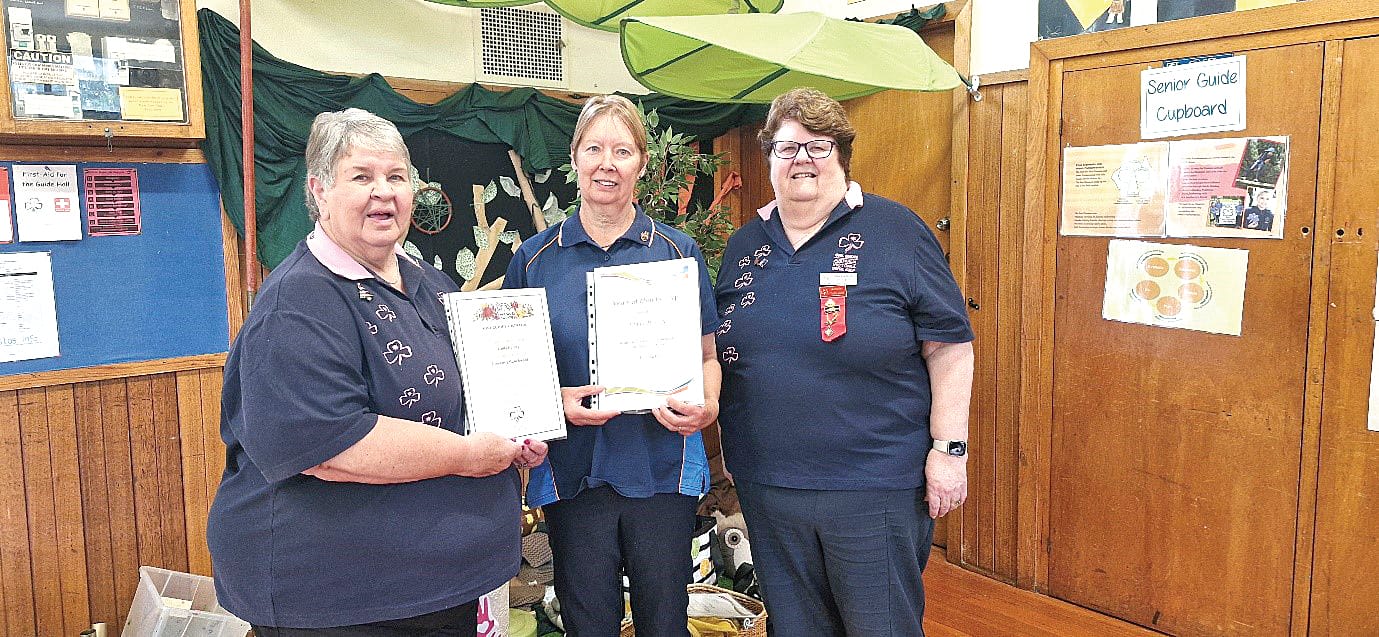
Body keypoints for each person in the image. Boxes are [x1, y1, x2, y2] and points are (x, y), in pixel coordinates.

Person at [208, 108, 547, 636]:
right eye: (361, 177)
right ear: (319, 190)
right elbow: (332, 446)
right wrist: (468, 456)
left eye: (396, 177)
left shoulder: (431, 283)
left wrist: (530, 420)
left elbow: (474, 394)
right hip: (339, 600)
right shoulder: (297, 303)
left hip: (437, 587)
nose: (383, 192)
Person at [713, 87, 975, 636]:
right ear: (769, 158)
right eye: (787, 147)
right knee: (796, 627)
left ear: (841, 155)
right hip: (769, 486)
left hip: (873, 486)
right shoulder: (743, 245)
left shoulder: (897, 231)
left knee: (879, 627)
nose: (802, 159)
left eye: (818, 145)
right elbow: (720, 351)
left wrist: (949, 451)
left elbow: (949, 346)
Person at [504, 94, 721, 637]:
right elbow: (510, 375)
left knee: (664, 620)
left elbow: (707, 357)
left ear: (641, 164)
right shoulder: (533, 260)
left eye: (622, 150)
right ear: (575, 158)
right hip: (573, 473)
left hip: (662, 468)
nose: (607, 162)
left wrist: (708, 403)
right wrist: (551, 404)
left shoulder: (677, 253)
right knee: (588, 620)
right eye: (594, 148)